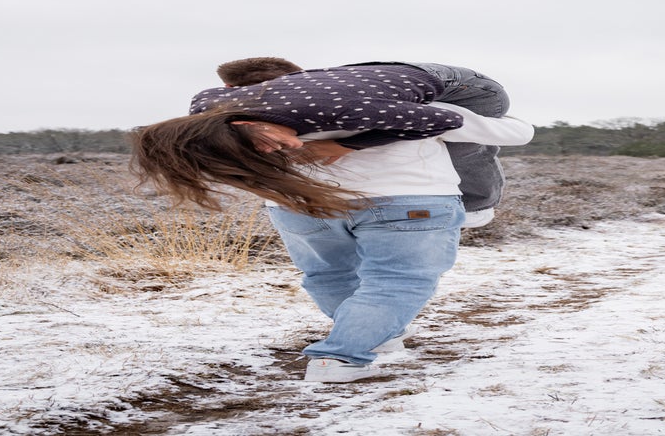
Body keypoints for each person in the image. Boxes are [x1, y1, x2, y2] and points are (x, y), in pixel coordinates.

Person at [130, 64, 534, 382]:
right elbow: (513, 132)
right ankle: (339, 357)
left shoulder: (213, 118)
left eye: (266, 145)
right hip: (407, 198)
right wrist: (462, 117)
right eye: (267, 151)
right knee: (396, 281)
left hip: (300, 204)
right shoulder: (377, 108)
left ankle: (375, 334)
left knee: (327, 275)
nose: (280, 149)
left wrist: (342, 145)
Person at [197, 58, 510, 228]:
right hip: (376, 74)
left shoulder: (342, 110)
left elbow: (445, 121)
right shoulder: (207, 105)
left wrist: (347, 146)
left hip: (469, 88)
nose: (269, 149)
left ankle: (478, 203)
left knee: (463, 139)